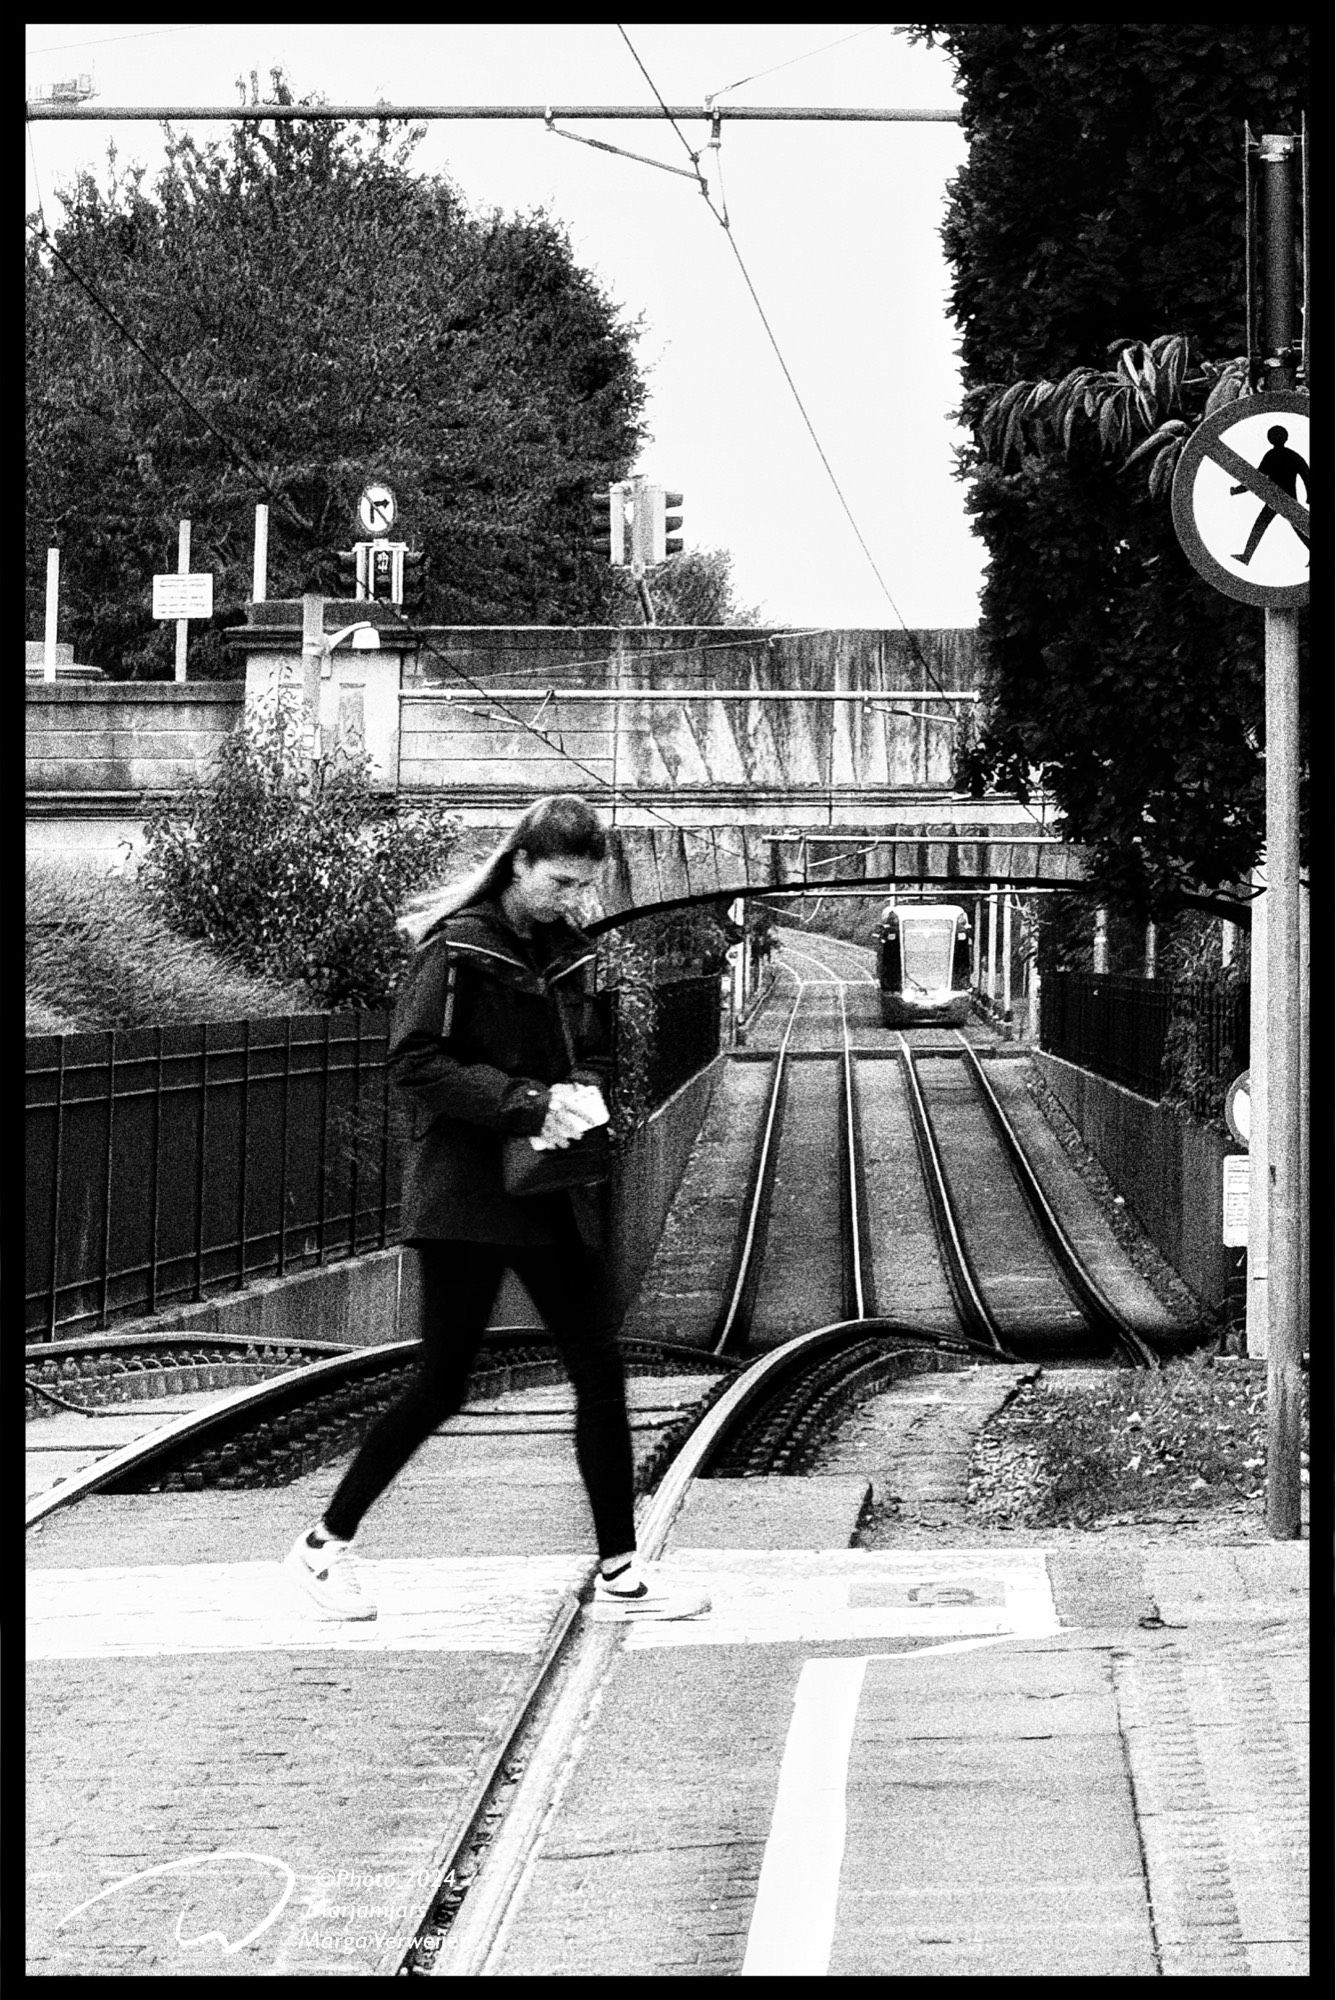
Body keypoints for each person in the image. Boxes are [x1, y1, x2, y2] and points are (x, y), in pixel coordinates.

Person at [285, 795, 709, 1623]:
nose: (570, 899)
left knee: (598, 1368)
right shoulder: (458, 947)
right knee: (443, 1381)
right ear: (520, 863)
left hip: (550, 1186)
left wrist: (582, 1093)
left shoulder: (573, 956)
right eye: (558, 882)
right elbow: (415, 1062)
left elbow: (590, 1052)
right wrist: (525, 1101)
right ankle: (322, 1547)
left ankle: (620, 1571)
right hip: (468, 1193)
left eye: (583, 886)